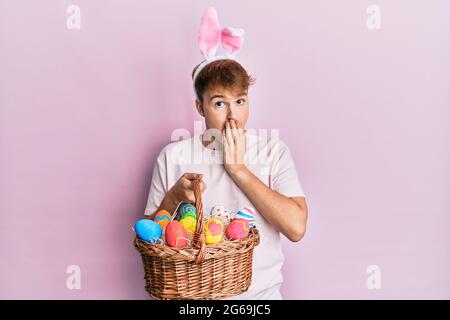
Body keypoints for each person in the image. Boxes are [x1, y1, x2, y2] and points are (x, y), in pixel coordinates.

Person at [144, 7, 308, 299]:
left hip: (259, 299)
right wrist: (173, 198)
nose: (233, 114)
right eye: (219, 104)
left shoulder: (273, 151)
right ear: (200, 108)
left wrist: (238, 170)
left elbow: (296, 228)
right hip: (190, 300)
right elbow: (150, 241)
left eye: (240, 101)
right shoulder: (173, 156)